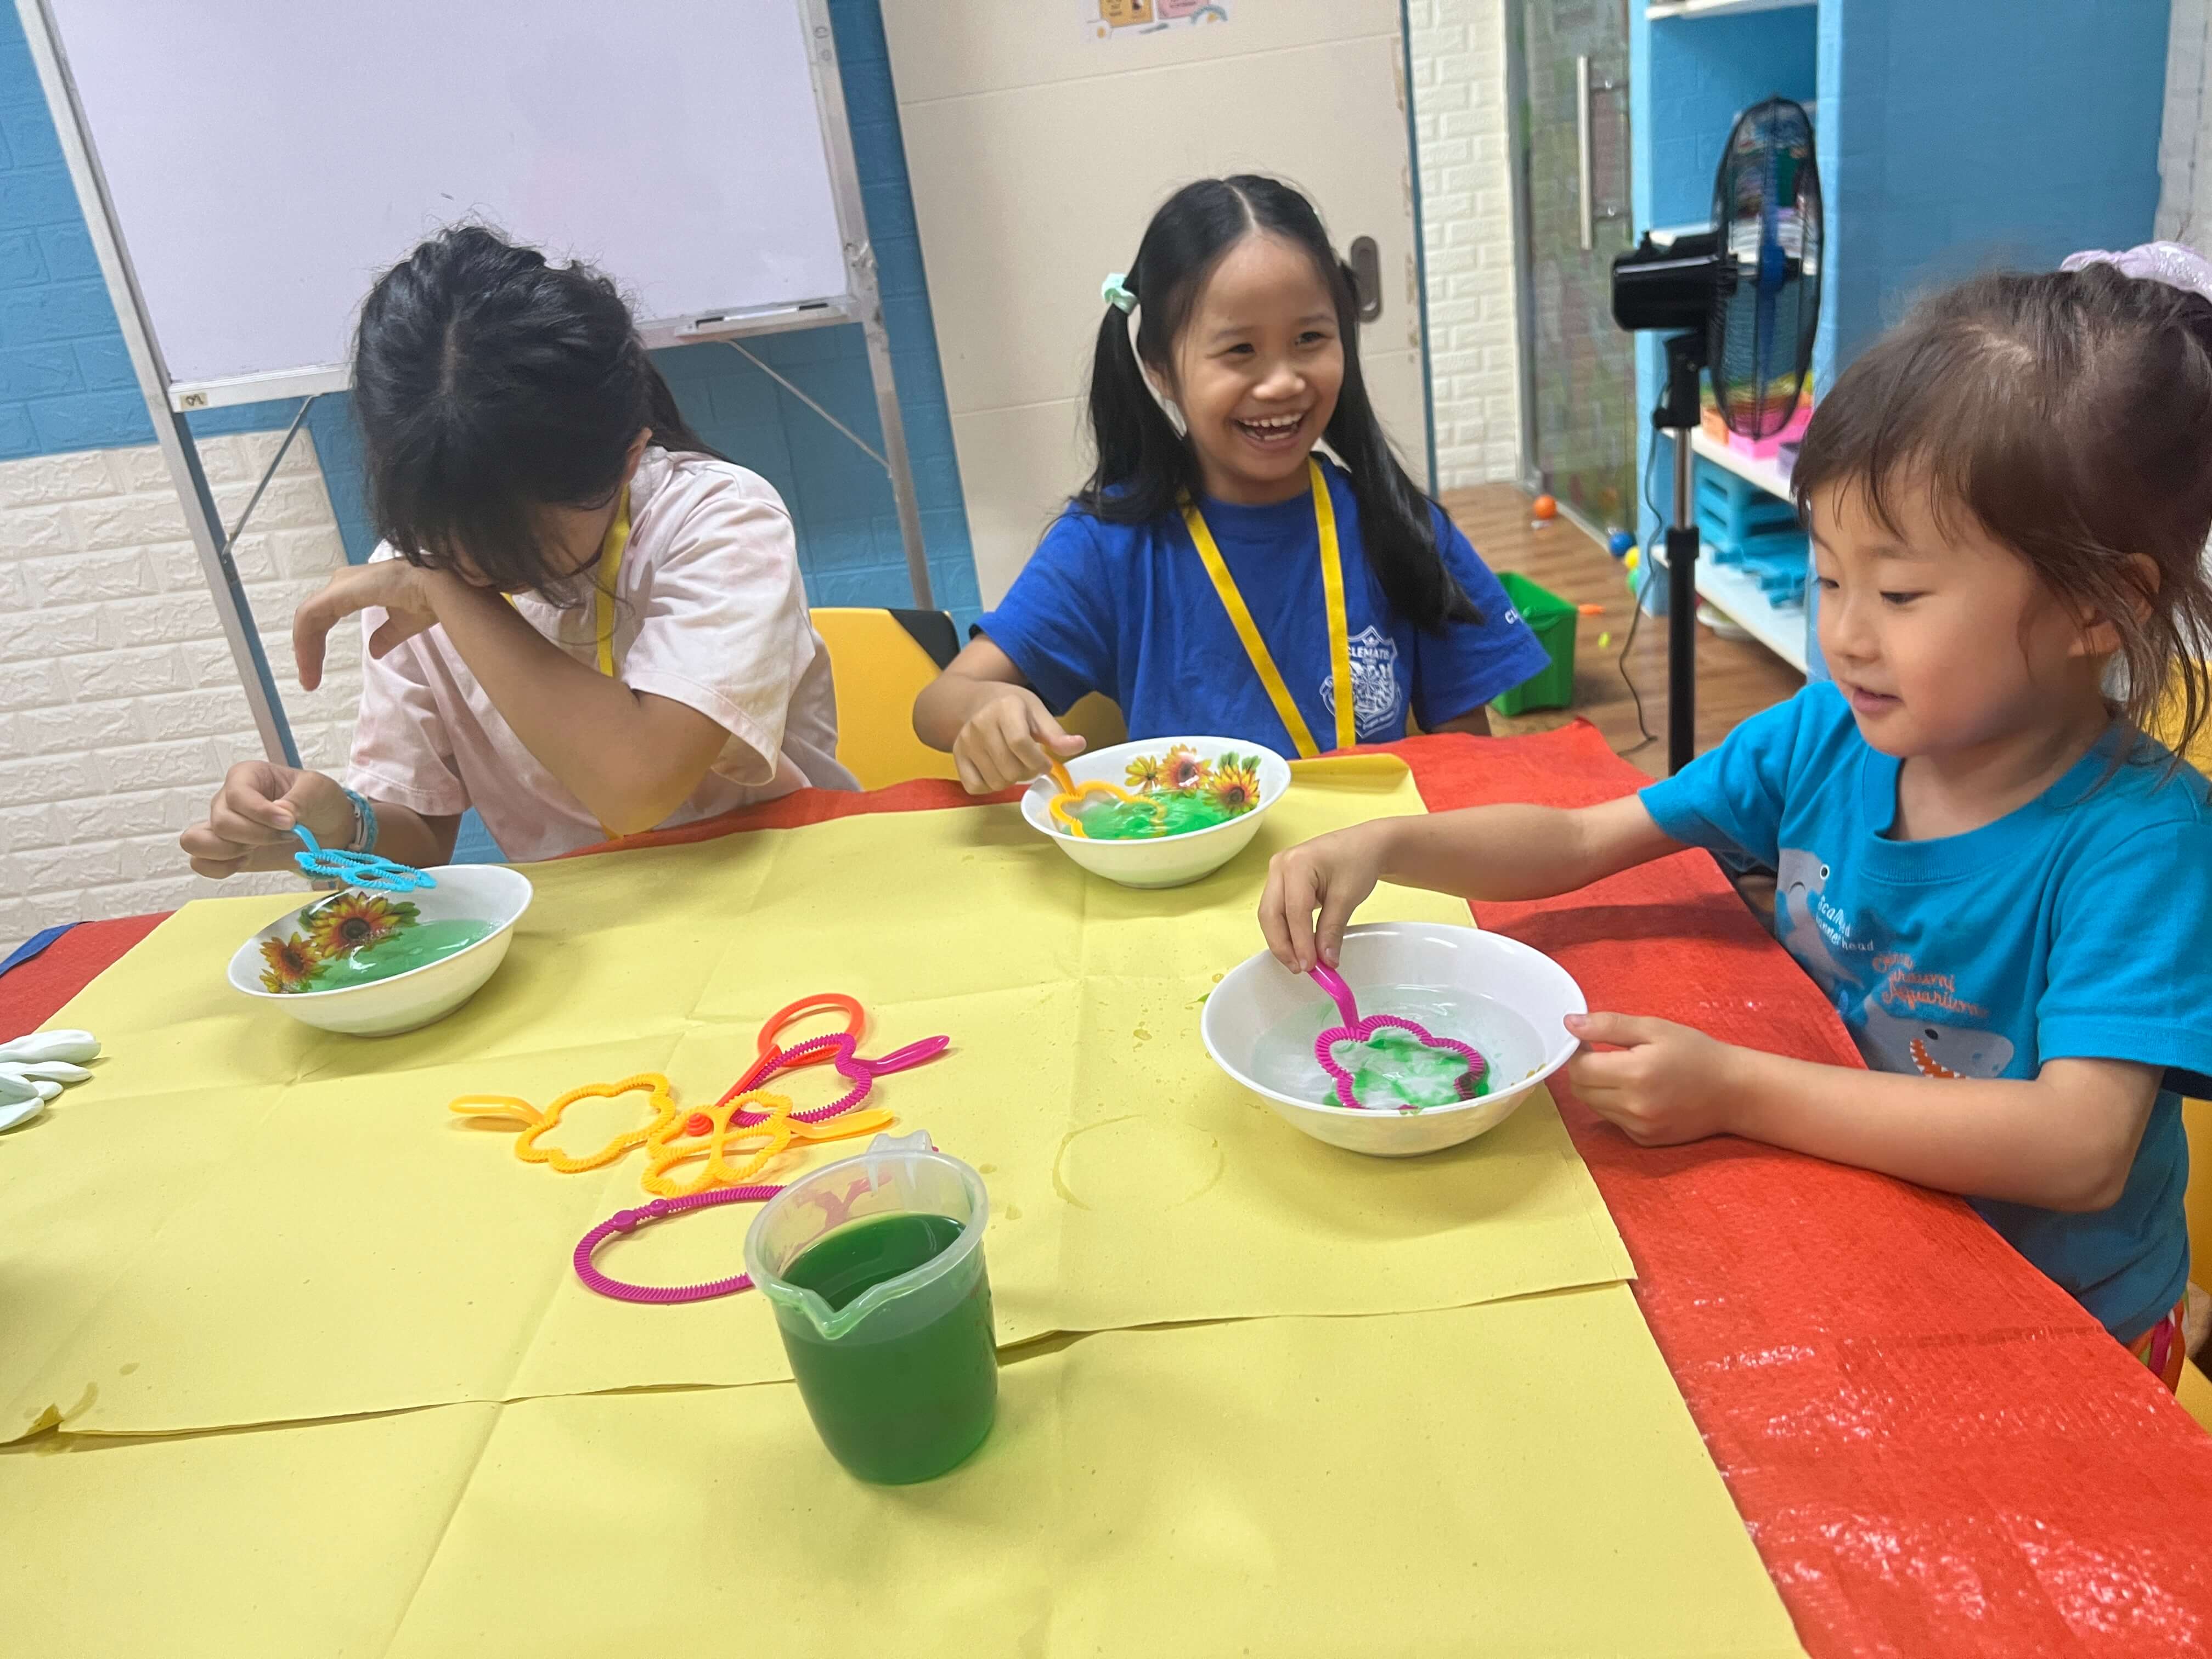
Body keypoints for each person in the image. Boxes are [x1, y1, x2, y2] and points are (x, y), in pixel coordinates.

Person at [1258, 252, 2212, 1385]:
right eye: (1828, 578)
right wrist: (1384, 844)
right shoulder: (1826, 736)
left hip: (2063, 1335)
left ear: (2100, 604)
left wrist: (1737, 1088)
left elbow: (2077, 1149)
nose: (1843, 634)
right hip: (1867, 1233)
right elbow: (1584, 838)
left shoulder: (2141, 840)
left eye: (1899, 593)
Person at [180, 225, 854, 874]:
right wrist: (336, 825)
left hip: (783, 881)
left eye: (516, 546)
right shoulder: (412, 566)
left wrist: (441, 590)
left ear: (626, 460)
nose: (474, 567)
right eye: (445, 539)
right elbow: (422, 838)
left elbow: (636, 787)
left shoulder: (718, 518)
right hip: (590, 921)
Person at [912, 176, 1550, 794]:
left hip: (1371, 861)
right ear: (1160, 368)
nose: (1283, 382)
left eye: (1310, 338)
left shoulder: (1401, 526)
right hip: (1188, 862)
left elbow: (1470, 765)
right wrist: (987, 709)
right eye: (1240, 350)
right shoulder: (1111, 546)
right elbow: (939, 701)